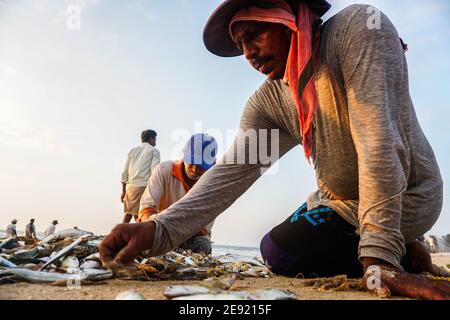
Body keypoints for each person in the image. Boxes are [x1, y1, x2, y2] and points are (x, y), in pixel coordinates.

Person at [100, 0, 449, 300]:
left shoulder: (357, 32)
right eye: (241, 44)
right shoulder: (271, 103)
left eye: (254, 34)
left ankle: (400, 246)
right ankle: (409, 250)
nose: (248, 54)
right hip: (341, 202)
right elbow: (231, 173)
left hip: (409, 196)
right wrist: (158, 230)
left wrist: (380, 261)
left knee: (282, 253)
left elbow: (379, 141)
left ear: (288, 17)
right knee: (277, 245)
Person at [138, 133, 218, 254]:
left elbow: (202, 227)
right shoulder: (164, 170)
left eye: (202, 166)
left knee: (202, 246)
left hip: (191, 236)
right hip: (160, 229)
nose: (195, 169)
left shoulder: (213, 186)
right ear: (184, 155)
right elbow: (147, 208)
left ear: (213, 164)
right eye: (192, 161)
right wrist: (156, 231)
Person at [120, 129, 161, 223]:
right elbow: (154, 171)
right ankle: (123, 234)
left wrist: (123, 191)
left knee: (130, 213)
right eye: (155, 139)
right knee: (141, 214)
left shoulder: (132, 151)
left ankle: (120, 234)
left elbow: (125, 172)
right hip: (144, 186)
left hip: (130, 188)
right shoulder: (154, 151)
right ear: (151, 139)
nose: (155, 141)